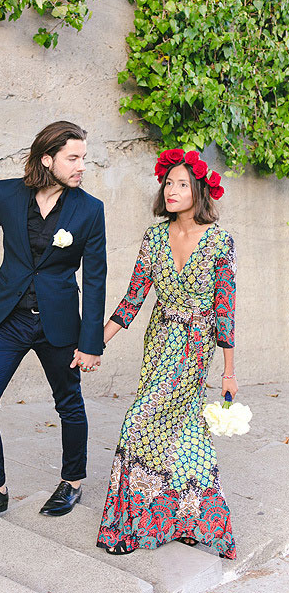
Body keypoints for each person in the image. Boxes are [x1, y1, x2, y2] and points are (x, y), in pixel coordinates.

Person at [97, 148, 237, 559]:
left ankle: (130, 528)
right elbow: (134, 298)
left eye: (182, 184)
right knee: (183, 429)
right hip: (159, 341)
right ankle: (190, 519)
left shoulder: (219, 242)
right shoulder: (154, 236)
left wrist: (228, 372)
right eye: (168, 183)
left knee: (139, 421)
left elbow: (224, 310)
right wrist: (96, 343)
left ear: (199, 190)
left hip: (195, 346)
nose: (172, 190)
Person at [0, 121, 106, 524]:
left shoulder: (90, 209)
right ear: (48, 159)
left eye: (83, 158)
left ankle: (73, 482)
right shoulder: (6, 193)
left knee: (69, 404)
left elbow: (95, 278)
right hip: (9, 317)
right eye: (73, 158)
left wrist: (90, 341)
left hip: (58, 323)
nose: (81, 166)